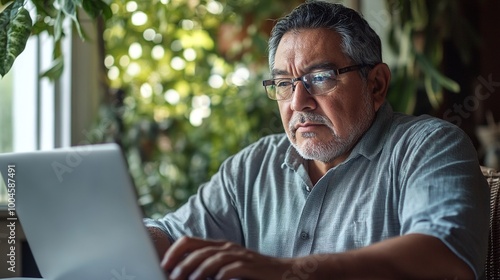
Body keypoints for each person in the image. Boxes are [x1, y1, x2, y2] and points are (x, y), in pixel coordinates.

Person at [144, 1, 489, 279]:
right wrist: (130, 239)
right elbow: (173, 237)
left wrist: (283, 271)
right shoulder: (253, 167)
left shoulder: (430, 147)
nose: (298, 102)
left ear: (376, 85)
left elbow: (445, 258)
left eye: (321, 78)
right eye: (283, 84)